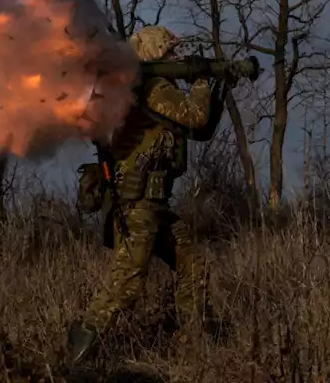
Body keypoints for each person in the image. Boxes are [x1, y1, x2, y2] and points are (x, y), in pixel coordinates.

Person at [64, 25, 230, 366]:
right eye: (170, 52)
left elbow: (200, 129)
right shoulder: (152, 86)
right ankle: (75, 354)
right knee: (128, 282)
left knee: (193, 263)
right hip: (136, 203)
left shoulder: (148, 88)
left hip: (152, 204)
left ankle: (200, 345)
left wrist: (221, 85)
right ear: (156, 54)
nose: (177, 58)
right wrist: (199, 81)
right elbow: (196, 118)